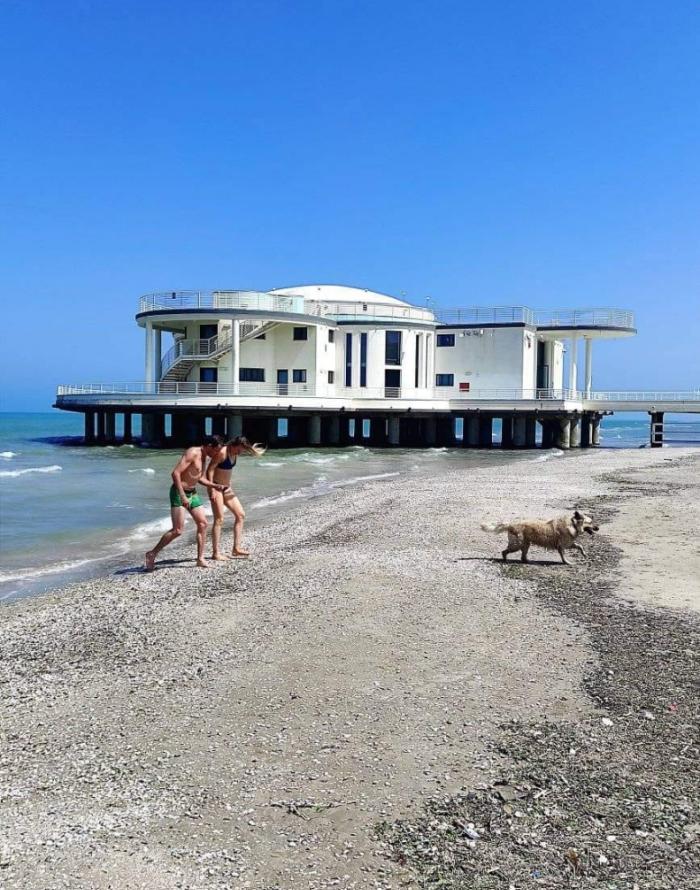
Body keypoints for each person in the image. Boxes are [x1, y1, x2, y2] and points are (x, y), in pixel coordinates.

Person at [144, 435, 228, 571]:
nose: (216, 454)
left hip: (192, 493)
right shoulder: (193, 452)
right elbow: (175, 473)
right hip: (179, 493)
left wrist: (214, 485)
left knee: (203, 523)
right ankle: (152, 553)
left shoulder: (204, 456)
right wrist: (183, 496)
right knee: (178, 530)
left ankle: (200, 559)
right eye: (215, 450)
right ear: (208, 446)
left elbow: (199, 477)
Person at [206, 436, 266, 560]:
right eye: (239, 449)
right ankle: (216, 553)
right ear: (234, 444)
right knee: (219, 519)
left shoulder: (235, 453)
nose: (240, 452)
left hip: (227, 489)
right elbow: (210, 470)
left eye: (242, 450)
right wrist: (211, 488)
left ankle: (236, 548)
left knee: (240, 515)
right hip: (216, 488)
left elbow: (227, 472)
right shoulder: (222, 453)